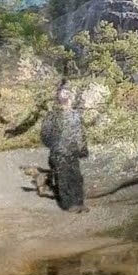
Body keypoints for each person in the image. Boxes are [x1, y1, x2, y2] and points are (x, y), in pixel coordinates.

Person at [40, 82, 89, 212]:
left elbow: (81, 133)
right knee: (63, 178)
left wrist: (83, 149)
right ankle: (69, 205)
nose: (67, 96)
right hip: (59, 153)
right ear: (58, 97)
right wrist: (56, 145)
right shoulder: (52, 116)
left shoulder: (76, 115)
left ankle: (79, 203)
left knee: (76, 177)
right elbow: (45, 135)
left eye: (69, 93)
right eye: (63, 93)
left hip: (73, 153)